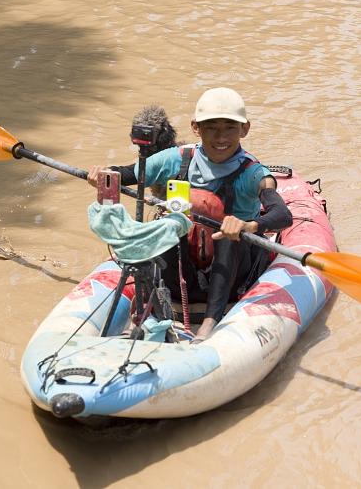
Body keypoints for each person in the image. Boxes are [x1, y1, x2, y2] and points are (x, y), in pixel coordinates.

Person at [88, 87, 293, 342]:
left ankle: (209, 323)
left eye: (230, 127)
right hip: (183, 266)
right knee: (169, 221)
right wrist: (104, 175)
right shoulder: (177, 159)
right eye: (211, 127)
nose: (220, 137)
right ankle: (147, 313)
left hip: (231, 270)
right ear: (196, 127)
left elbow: (282, 215)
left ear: (245, 129)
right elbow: (129, 174)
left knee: (227, 233)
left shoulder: (253, 173)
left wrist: (248, 225)